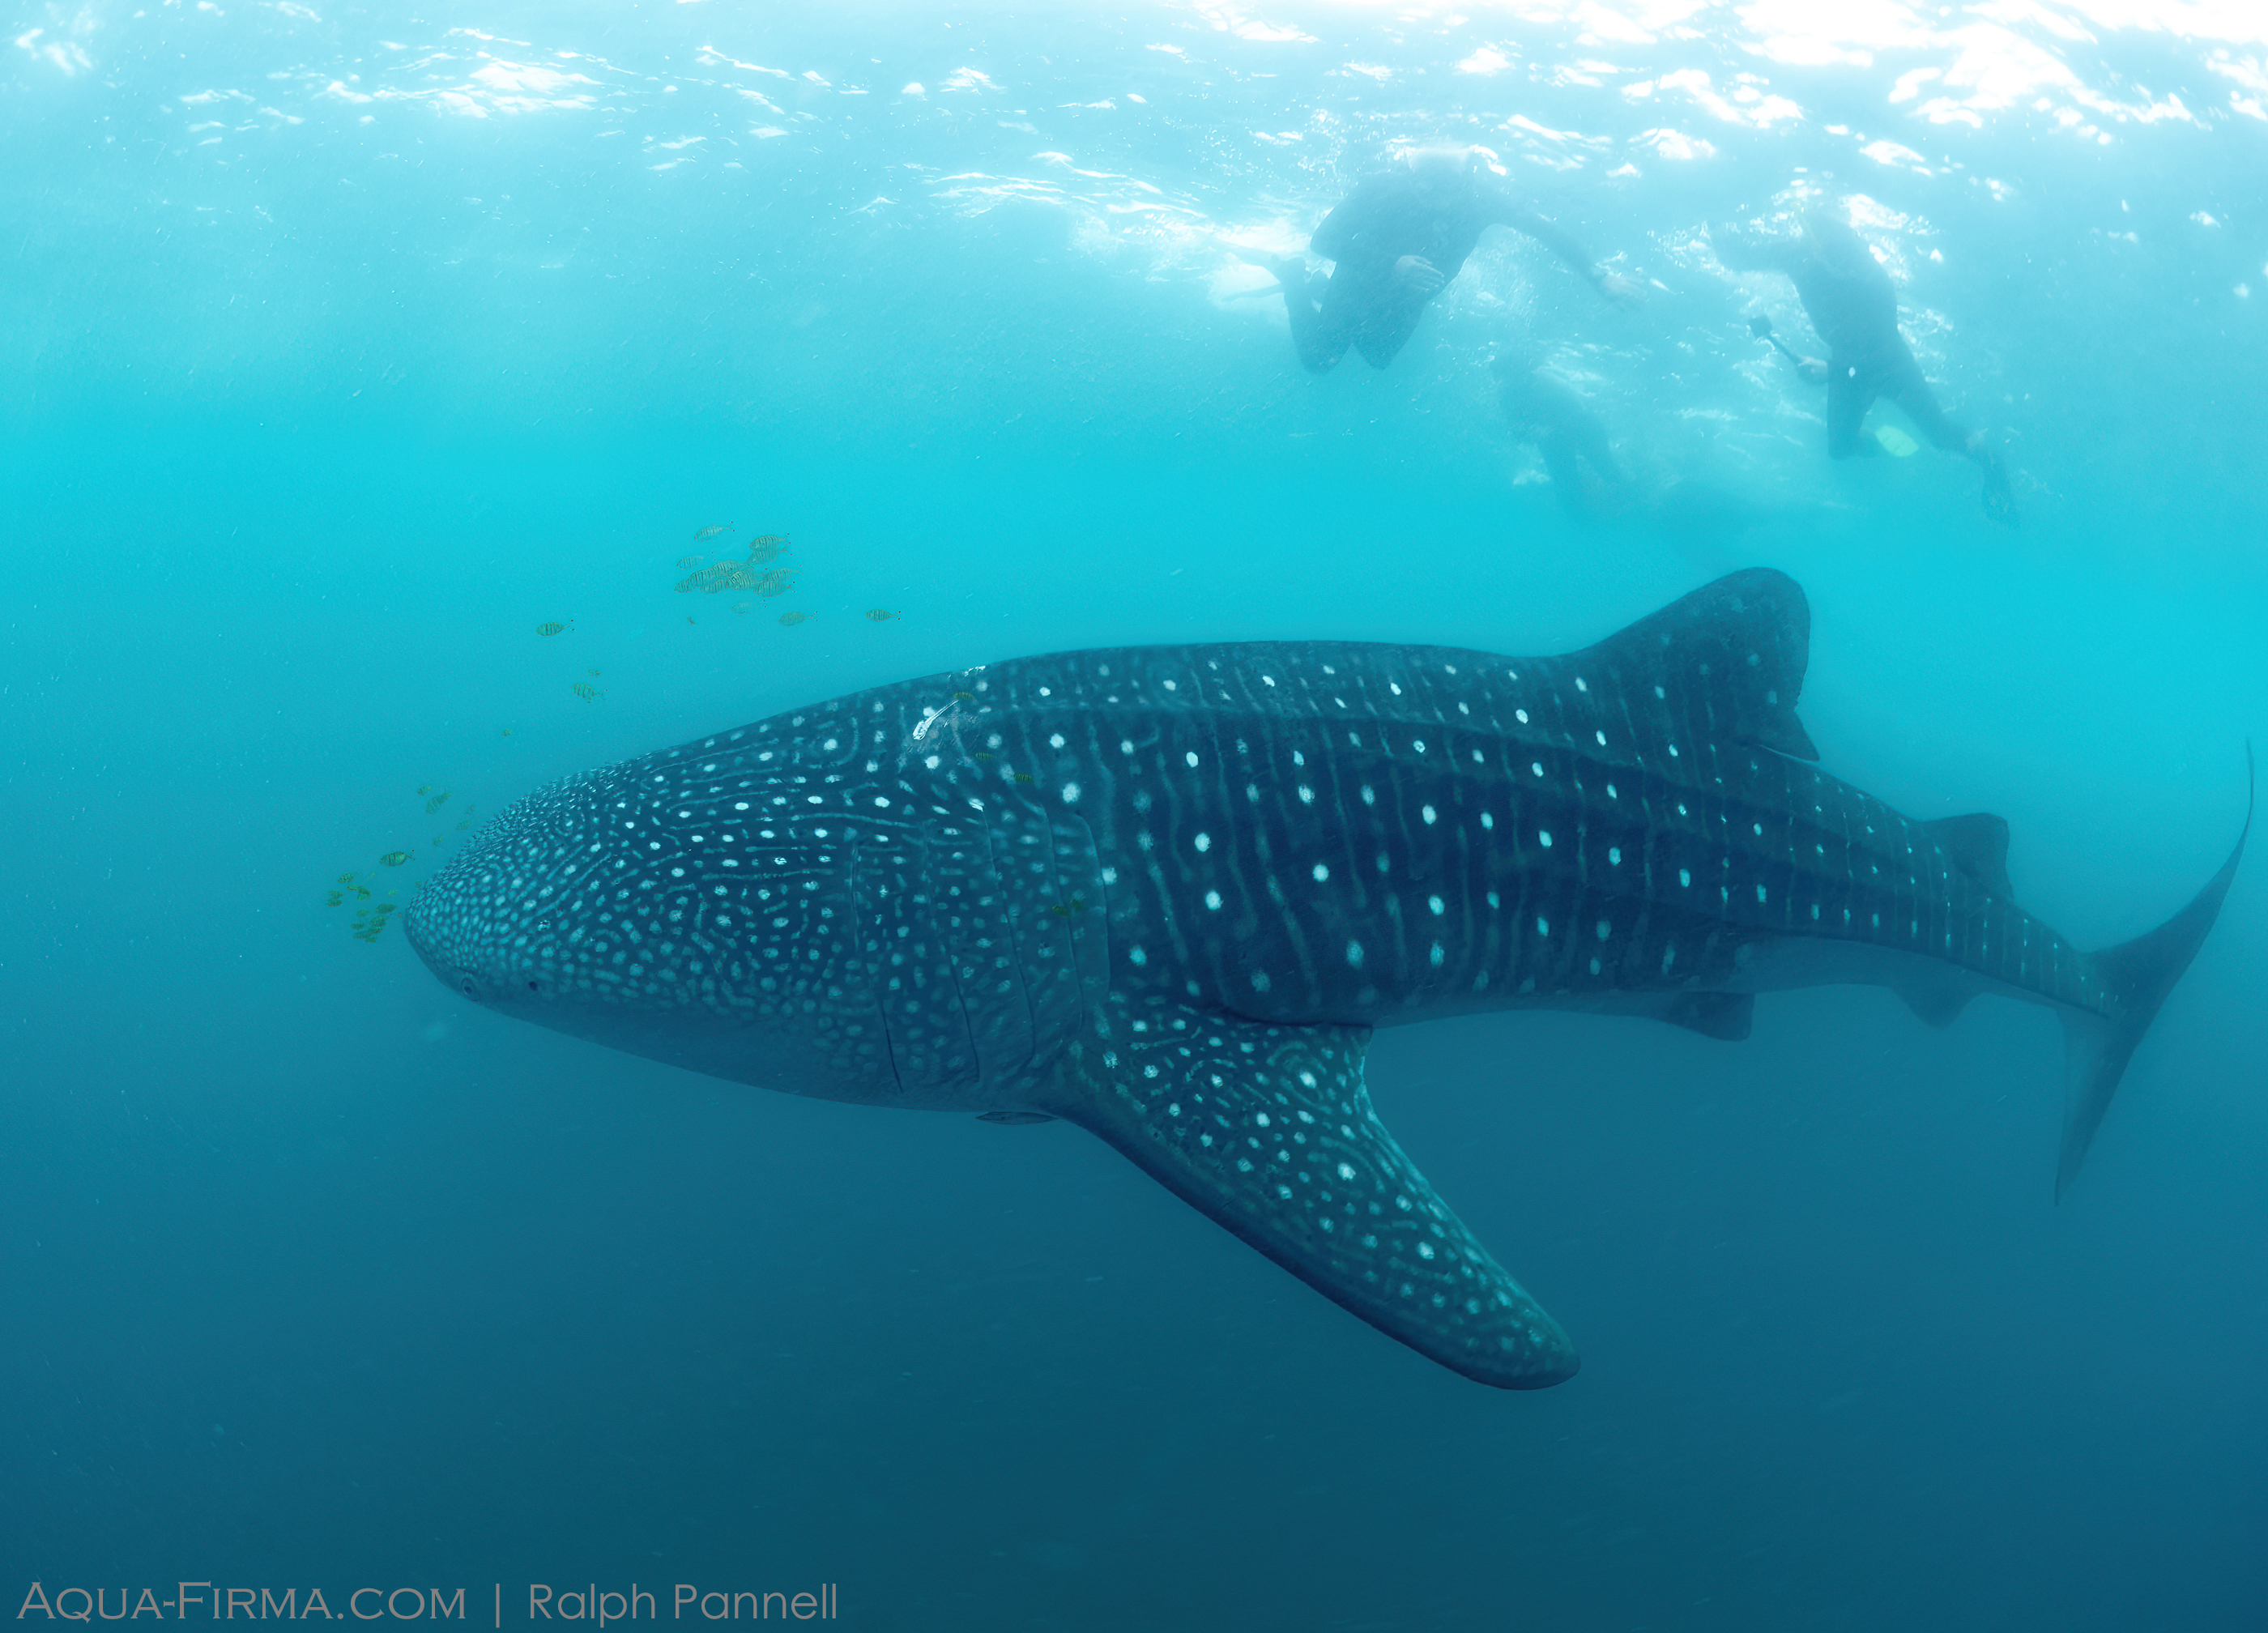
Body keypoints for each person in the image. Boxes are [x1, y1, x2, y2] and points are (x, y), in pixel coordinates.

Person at [1713, 203, 2016, 525]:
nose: (1842, 261)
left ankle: (1993, 467)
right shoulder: (1795, 255)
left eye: (1849, 252)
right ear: (1813, 243)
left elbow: (1880, 357)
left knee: (1940, 437)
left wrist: (1832, 371)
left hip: (1893, 367)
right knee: (1840, 450)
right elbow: (1737, 258)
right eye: (1831, 251)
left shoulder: (1875, 281)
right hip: (1847, 363)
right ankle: (1872, 440)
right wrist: (1715, 219)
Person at [1259, 146, 1639, 373]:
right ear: (1409, 172)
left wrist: (1599, 276)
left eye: (1445, 184)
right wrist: (1389, 264)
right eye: (1425, 182)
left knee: (1377, 359)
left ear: (1465, 177)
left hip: (1411, 297)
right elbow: (1323, 241)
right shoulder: (1380, 186)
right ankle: (1294, 279)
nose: (1433, 194)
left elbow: (1545, 231)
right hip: (1358, 281)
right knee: (1320, 361)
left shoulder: (1483, 199)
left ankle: (1317, 288)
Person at [1491, 352, 1628, 521]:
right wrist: (1536, 433)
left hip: (1577, 426)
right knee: (1573, 488)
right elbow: (1518, 433)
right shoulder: (1508, 392)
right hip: (1559, 435)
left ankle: (1620, 503)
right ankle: (1591, 521)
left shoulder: (1541, 382)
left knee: (1604, 472)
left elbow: (1578, 411)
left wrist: (1541, 432)